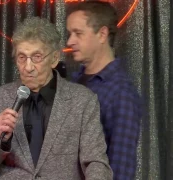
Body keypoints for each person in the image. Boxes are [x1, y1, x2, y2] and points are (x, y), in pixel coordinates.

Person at [0, 16, 112, 180]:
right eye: (22, 57)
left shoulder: (82, 101)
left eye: (37, 57)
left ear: (53, 59)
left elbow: (95, 163)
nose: (28, 67)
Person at [66, 1, 142, 180]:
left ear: (102, 34)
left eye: (78, 33)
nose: (70, 42)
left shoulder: (121, 93)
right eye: (70, 34)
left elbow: (120, 169)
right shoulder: (74, 82)